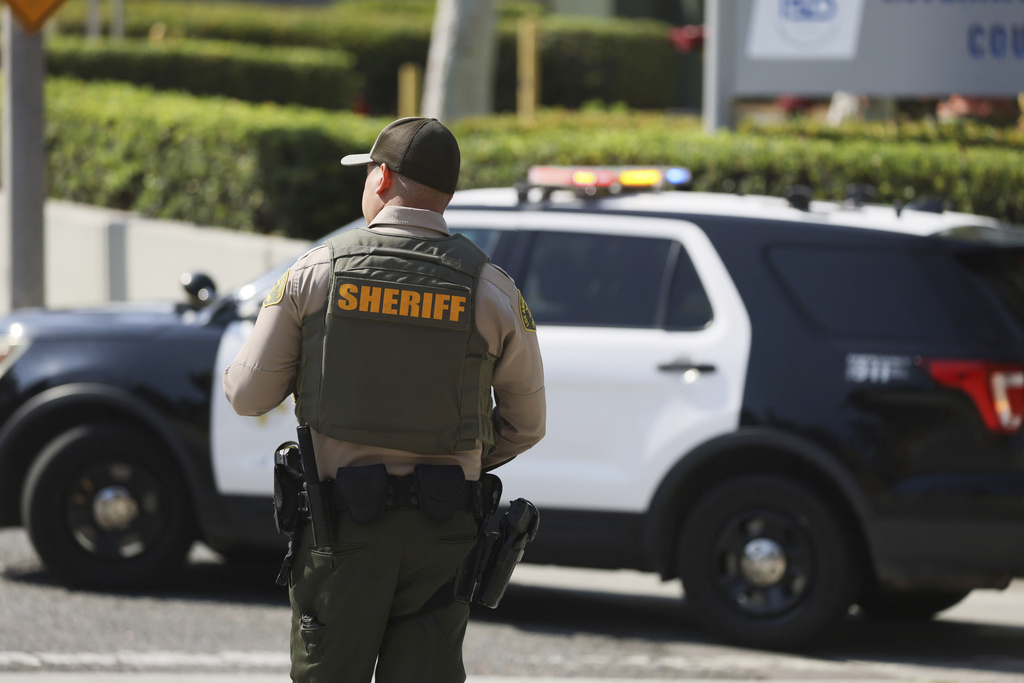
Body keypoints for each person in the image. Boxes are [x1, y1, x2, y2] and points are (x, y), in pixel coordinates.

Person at [223, 117, 546, 683]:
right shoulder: (492, 288)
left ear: (382, 177)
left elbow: (248, 396)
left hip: (342, 529)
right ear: (446, 193)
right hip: (444, 529)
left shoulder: (318, 270)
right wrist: (461, 457)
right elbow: (526, 424)